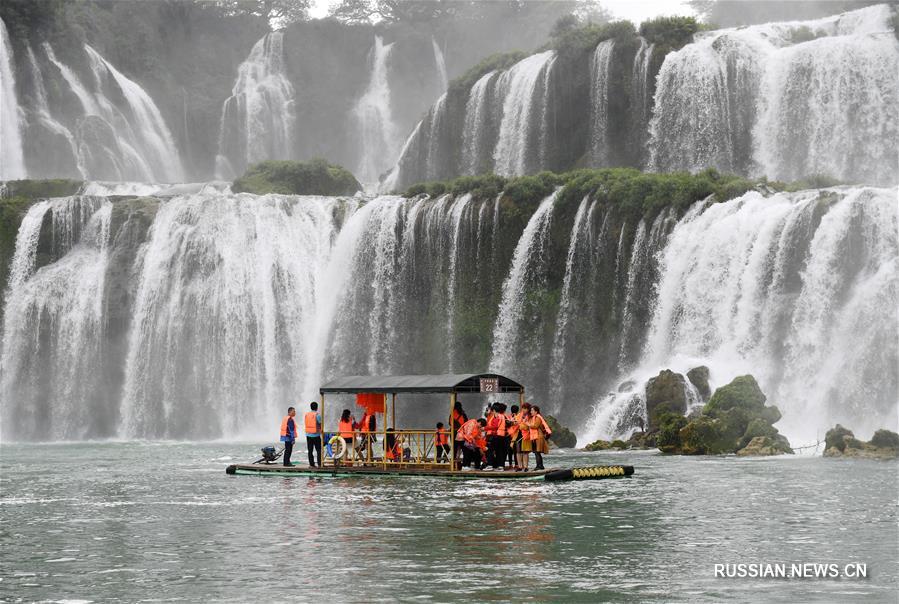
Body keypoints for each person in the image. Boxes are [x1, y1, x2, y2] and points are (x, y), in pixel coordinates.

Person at [528, 405, 553, 470]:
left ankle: (539, 466)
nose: (531, 412)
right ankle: (540, 465)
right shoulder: (534, 417)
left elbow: (535, 426)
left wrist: (529, 425)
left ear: (536, 411)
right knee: (536, 452)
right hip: (535, 436)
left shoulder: (538, 418)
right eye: (531, 410)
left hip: (538, 436)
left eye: (532, 410)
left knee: (537, 452)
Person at [305, 401, 322, 467]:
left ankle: (311, 464)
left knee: (310, 450)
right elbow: (320, 423)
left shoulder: (307, 414)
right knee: (318, 450)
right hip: (316, 435)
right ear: (317, 407)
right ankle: (320, 464)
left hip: (308, 435)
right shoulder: (317, 415)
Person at [517, 402, 532, 471]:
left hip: (526, 435)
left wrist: (521, 425)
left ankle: (526, 466)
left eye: (525, 408)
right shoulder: (519, 415)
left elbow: (527, 426)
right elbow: (516, 422)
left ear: (528, 409)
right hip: (518, 434)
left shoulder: (530, 416)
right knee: (518, 451)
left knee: (525, 451)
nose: (524, 410)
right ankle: (520, 466)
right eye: (523, 408)